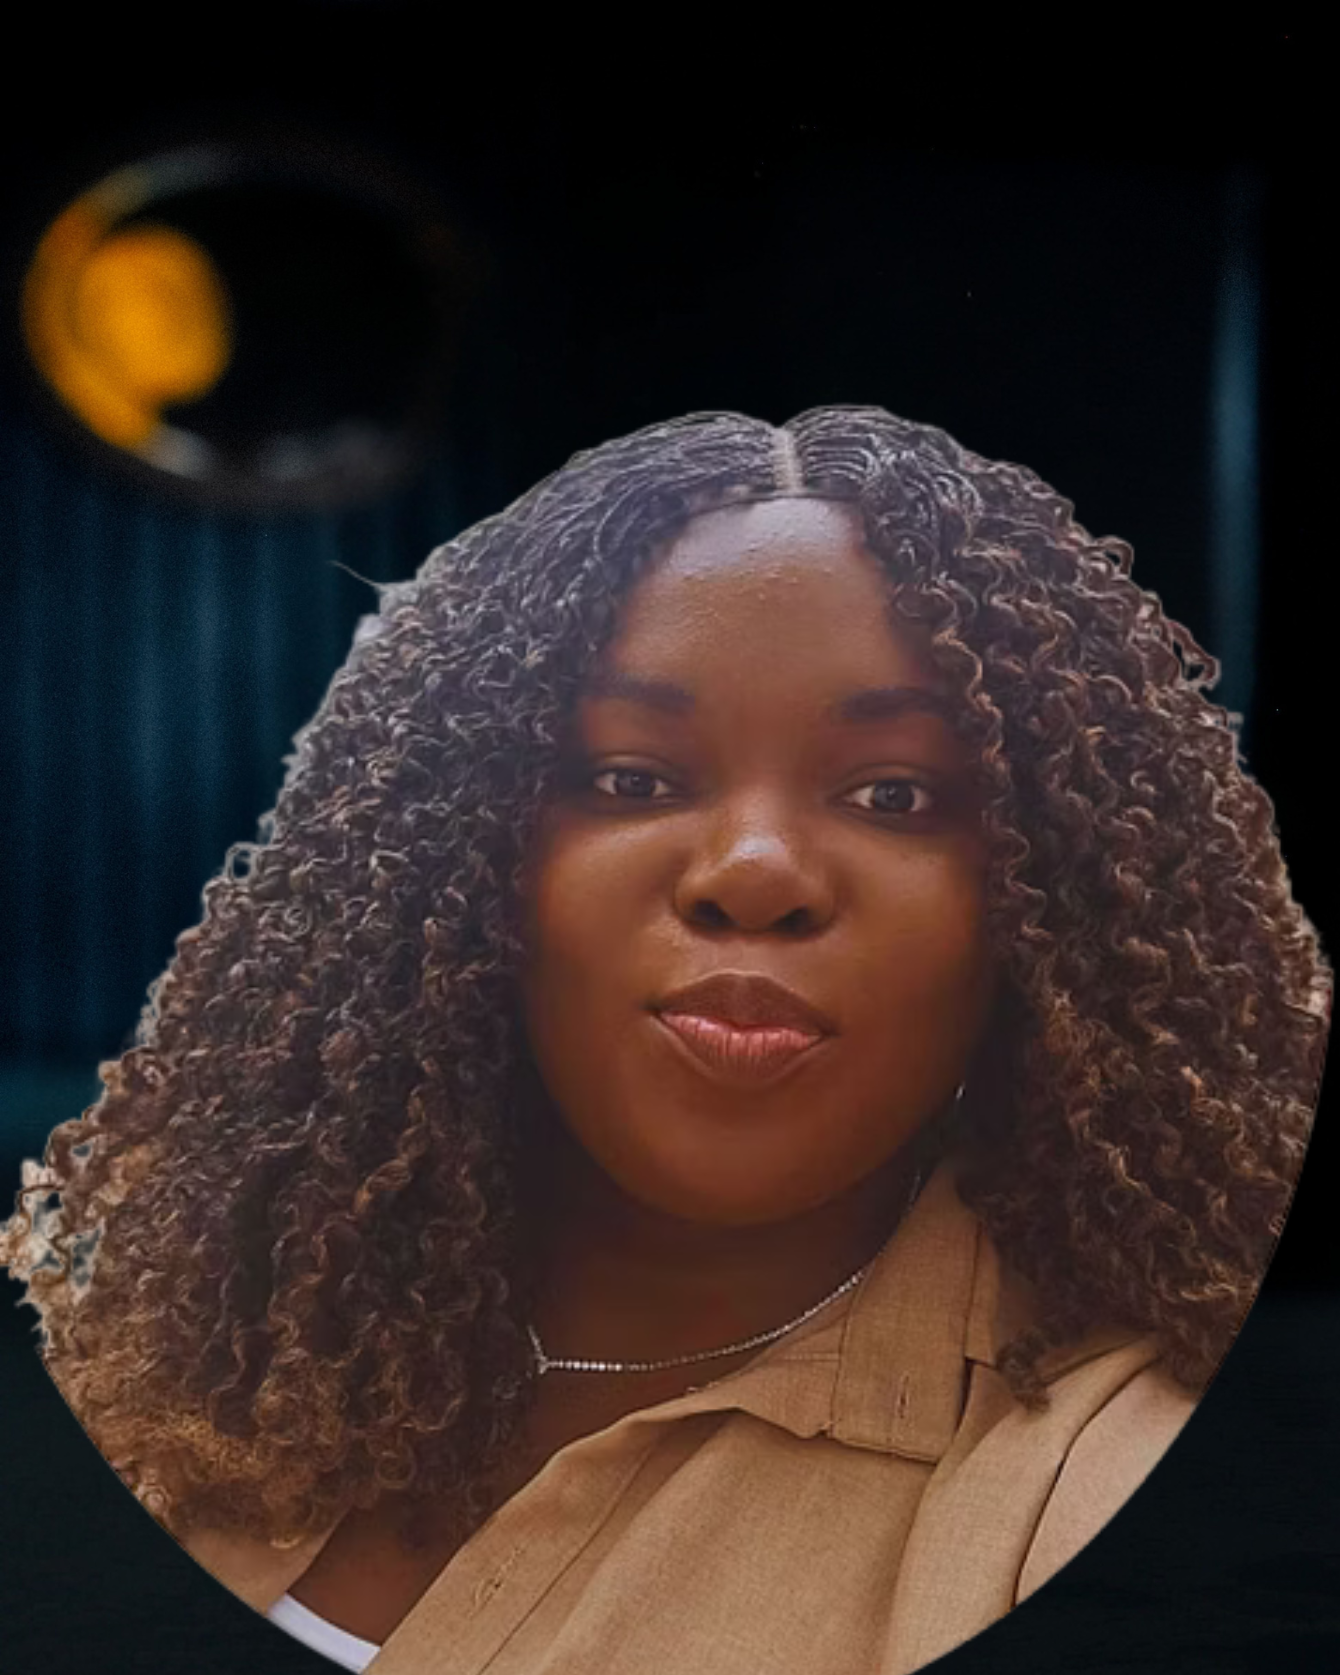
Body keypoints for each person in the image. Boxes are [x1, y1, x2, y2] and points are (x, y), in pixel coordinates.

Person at [2, 408, 1330, 1675]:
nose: (754, 872)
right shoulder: (134, 1327)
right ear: (459, 866)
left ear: (1049, 904)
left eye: (896, 791)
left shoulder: (1116, 1482)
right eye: (629, 777)